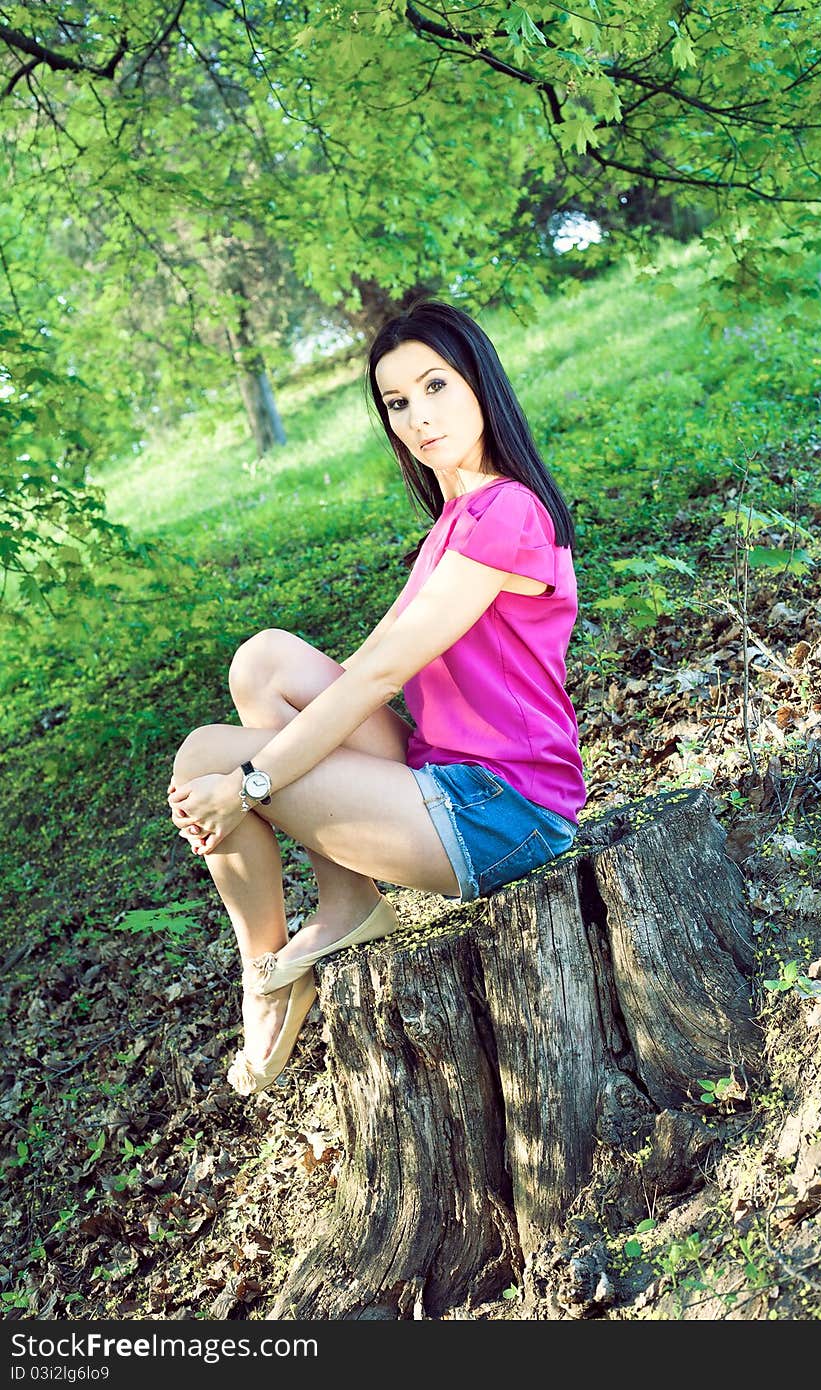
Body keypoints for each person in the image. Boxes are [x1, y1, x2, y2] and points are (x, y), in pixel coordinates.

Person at [167, 299, 586, 1097]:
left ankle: (269, 973)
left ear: (479, 384)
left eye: (435, 386)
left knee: (208, 761)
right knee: (264, 663)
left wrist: (252, 784)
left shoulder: (508, 514)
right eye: (397, 402)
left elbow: (378, 678)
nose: (418, 418)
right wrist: (267, 770)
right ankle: (332, 911)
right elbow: (363, 663)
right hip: (445, 771)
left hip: (507, 809)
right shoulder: (459, 518)